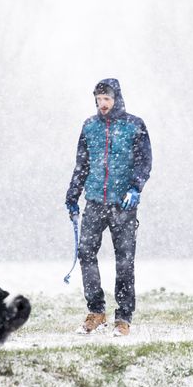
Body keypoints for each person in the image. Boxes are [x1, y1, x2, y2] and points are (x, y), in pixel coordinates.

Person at [65, 78, 152, 337]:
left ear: (117, 99)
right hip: (93, 202)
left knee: (124, 262)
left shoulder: (134, 125)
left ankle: (123, 318)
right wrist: (72, 195)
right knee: (86, 254)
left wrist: (136, 188)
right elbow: (81, 164)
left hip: (123, 205)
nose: (102, 104)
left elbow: (144, 161)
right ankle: (96, 312)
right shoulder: (89, 126)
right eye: (99, 99)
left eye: (107, 99)